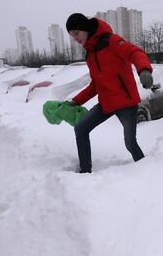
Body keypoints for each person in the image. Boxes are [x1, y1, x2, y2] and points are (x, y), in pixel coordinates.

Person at [65, 13, 154, 173]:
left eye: (76, 33)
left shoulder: (111, 41)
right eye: (72, 35)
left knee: (130, 143)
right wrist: (76, 101)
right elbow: (95, 85)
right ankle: (85, 171)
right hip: (107, 103)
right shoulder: (90, 55)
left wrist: (144, 70)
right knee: (81, 128)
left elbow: (135, 52)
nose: (75, 38)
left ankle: (146, 172)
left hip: (126, 103)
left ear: (84, 28)